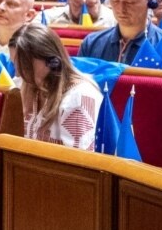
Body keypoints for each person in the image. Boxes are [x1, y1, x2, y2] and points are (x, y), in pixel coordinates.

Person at [9, 23, 102, 152]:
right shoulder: (23, 85)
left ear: (52, 61)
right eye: (15, 64)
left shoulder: (78, 97)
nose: (18, 73)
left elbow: (78, 162)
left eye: (25, 65)